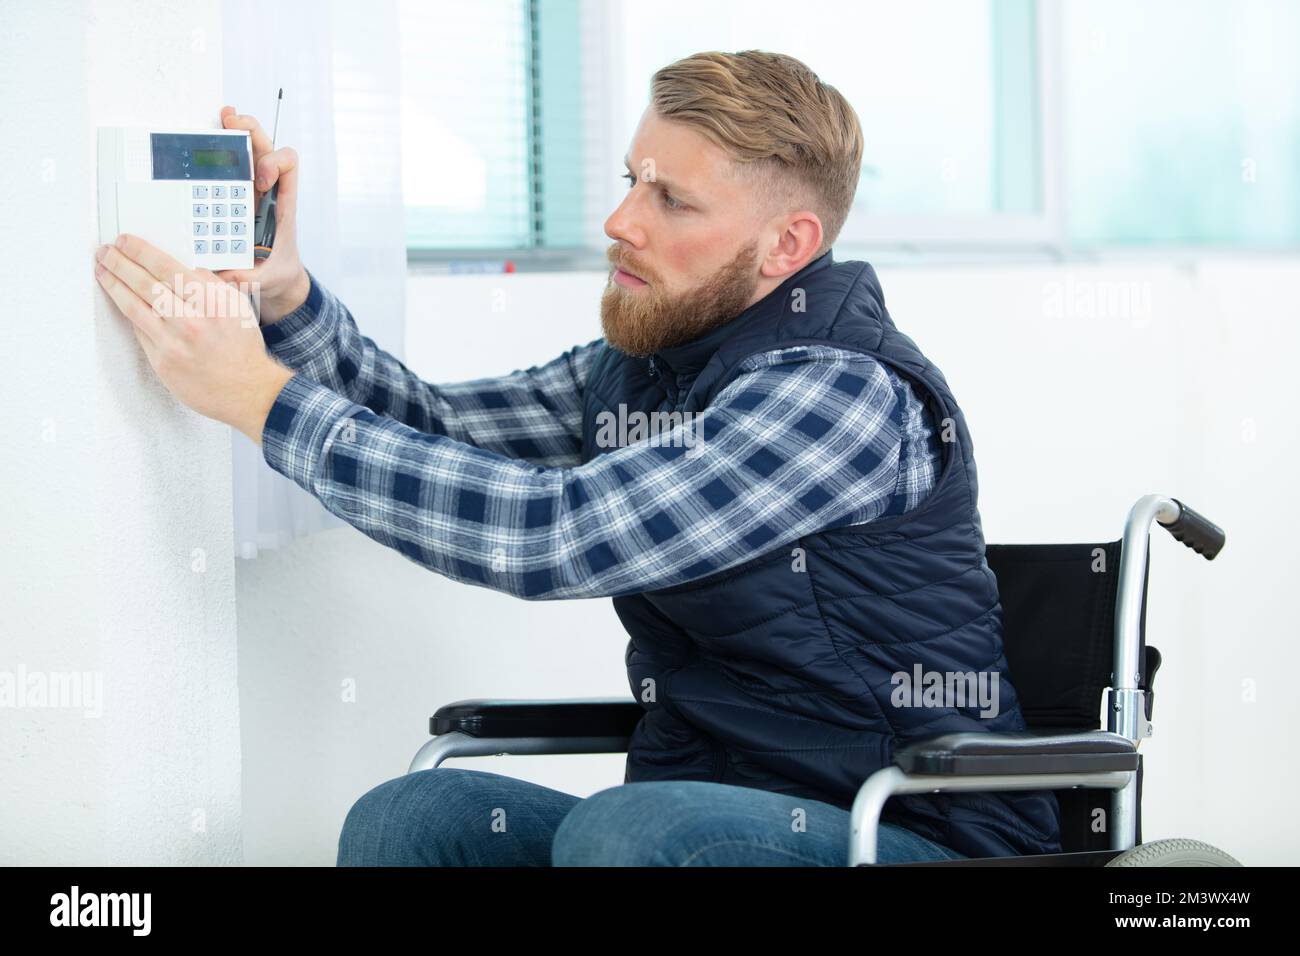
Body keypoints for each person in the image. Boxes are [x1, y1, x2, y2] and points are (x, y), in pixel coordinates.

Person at [95, 50, 1060, 866]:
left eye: (672, 200)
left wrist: (258, 401)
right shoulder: (641, 366)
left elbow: (553, 533)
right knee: (413, 818)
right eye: (632, 179)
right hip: (699, 814)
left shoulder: (838, 398)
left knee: (637, 829)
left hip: (906, 830)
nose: (621, 222)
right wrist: (287, 300)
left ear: (787, 245)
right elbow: (435, 429)